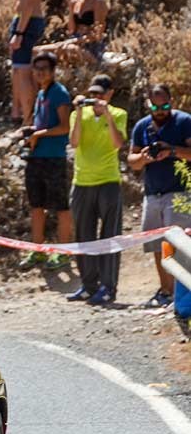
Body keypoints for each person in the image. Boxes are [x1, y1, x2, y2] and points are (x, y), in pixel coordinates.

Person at [127, 84, 191, 307]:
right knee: (156, 245)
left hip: (179, 192)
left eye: (165, 106)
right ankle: (165, 290)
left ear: (171, 101)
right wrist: (144, 158)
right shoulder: (141, 127)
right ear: (148, 105)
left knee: (179, 246)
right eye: (155, 107)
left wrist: (171, 150)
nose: (160, 111)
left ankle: (182, 296)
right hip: (153, 193)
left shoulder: (184, 122)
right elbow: (132, 161)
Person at [67, 74, 128, 305]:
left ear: (109, 94)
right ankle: (88, 284)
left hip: (108, 181)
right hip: (82, 181)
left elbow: (117, 143)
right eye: (92, 94)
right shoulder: (78, 114)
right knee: (84, 236)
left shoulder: (119, 114)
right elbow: (74, 142)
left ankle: (108, 286)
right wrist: (79, 111)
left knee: (110, 236)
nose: (95, 98)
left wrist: (107, 115)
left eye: (100, 94)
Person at [18, 52, 73, 271]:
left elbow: (64, 127)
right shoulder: (41, 93)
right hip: (36, 157)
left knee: (61, 206)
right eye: (37, 68)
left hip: (54, 157)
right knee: (36, 205)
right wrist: (30, 132)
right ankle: (38, 250)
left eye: (44, 68)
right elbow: (43, 125)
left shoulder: (59, 93)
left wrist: (39, 134)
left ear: (53, 71)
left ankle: (64, 252)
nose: (40, 72)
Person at [6, 0, 47, 126]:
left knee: (24, 72)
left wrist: (19, 32)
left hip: (28, 22)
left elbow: (29, 3)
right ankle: (18, 114)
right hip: (21, 21)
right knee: (17, 70)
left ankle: (28, 121)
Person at [34, 0, 109, 65]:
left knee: (69, 49)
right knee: (37, 50)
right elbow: (71, 30)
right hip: (73, 42)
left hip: (92, 49)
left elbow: (97, 35)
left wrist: (74, 41)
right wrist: (70, 7)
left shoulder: (98, 2)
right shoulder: (77, 1)